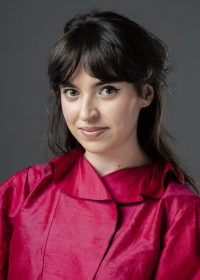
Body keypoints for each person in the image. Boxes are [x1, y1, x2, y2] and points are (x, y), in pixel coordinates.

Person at [0, 9, 200, 280]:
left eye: (107, 90)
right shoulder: (22, 193)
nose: (86, 113)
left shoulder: (180, 215)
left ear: (146, 94)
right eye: (72, 92)